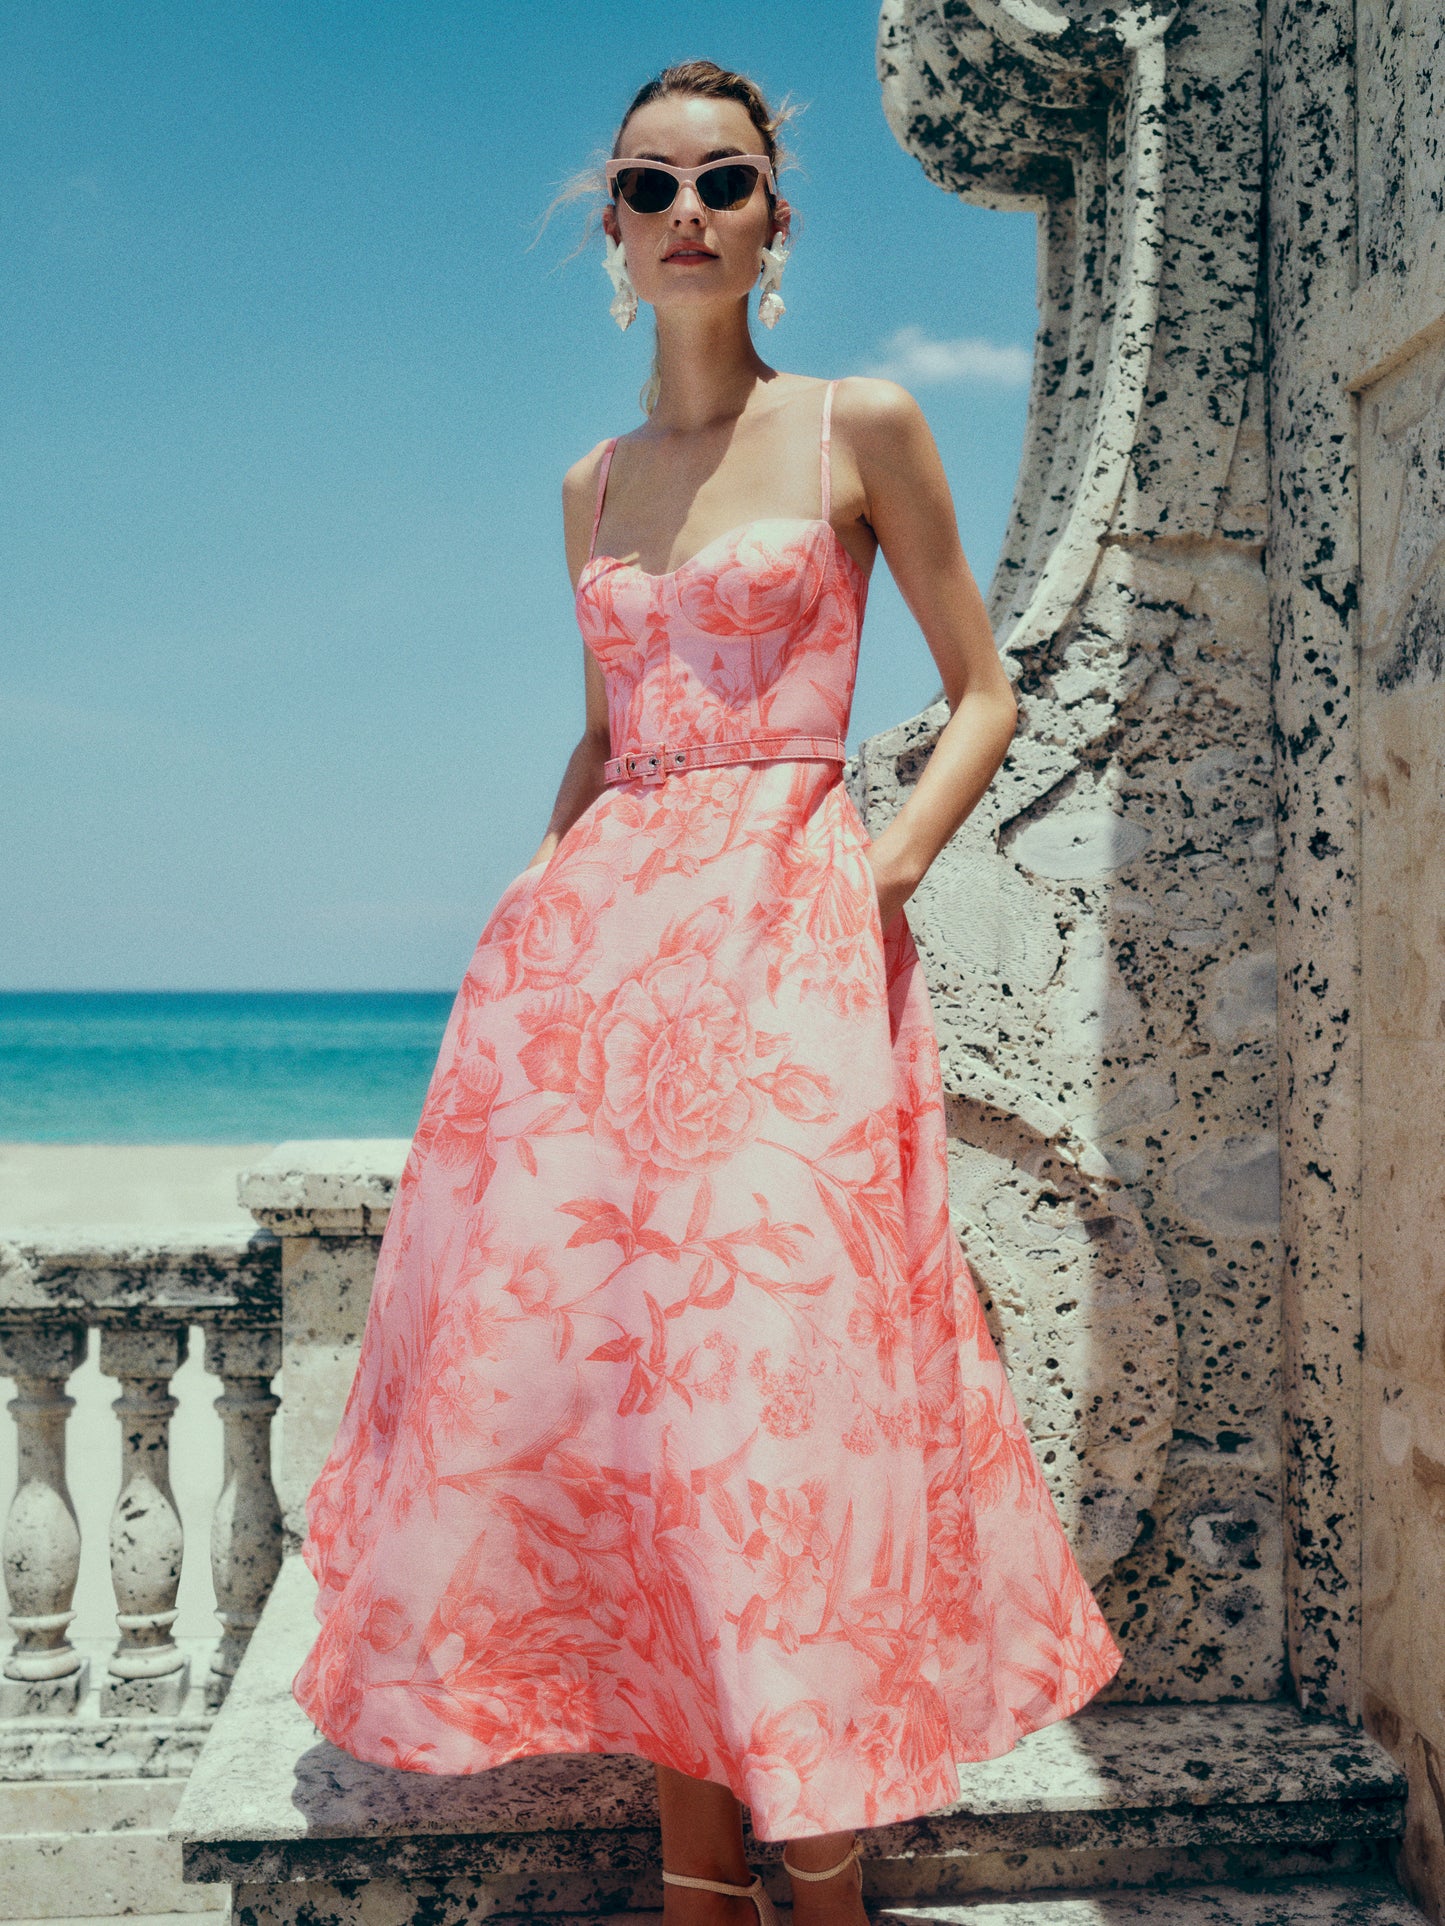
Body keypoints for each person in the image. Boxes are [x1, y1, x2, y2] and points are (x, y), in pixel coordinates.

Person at [291, 57, 1122, 1926]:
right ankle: (697, 1886)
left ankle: (820, 1880)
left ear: (772, 221)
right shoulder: (587, 486)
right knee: (635, 1426)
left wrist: (877, 868)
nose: (686, 214)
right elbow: (602, 743)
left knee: (777, 1406)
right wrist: (535, 894)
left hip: (790, 954)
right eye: (649, 187)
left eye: (721, 183)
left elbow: (981, 689)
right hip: (592, 983)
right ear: (610, 229)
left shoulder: (861, 423)